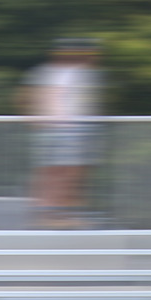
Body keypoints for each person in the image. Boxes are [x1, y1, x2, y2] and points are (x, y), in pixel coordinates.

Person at [20, 38, 103, 228]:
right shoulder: (47, 72)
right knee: (54, 170)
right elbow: (27, 96)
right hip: (57, 128)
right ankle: (48, 212)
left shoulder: (88, 74)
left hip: (79, 128)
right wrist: (33, 117)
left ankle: (63, 211)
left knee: (73, 170)